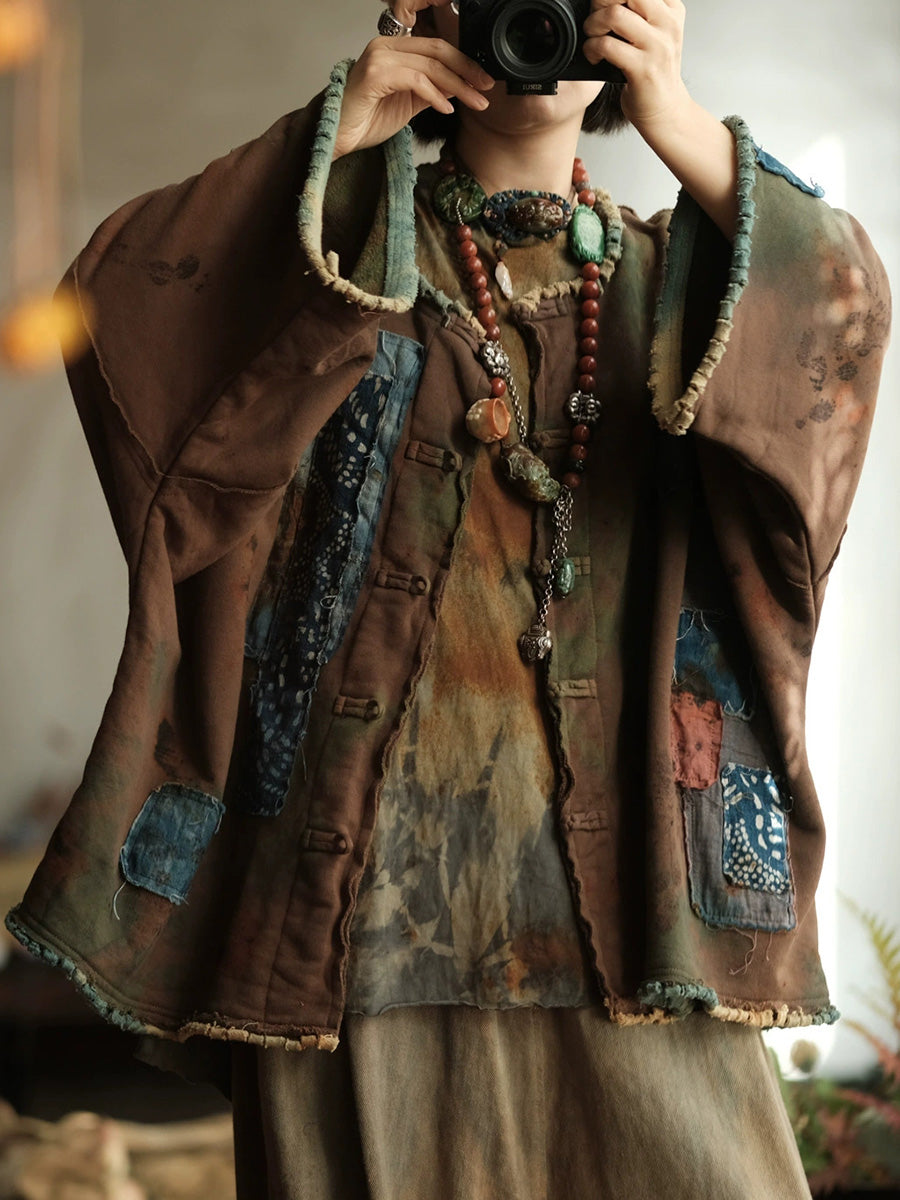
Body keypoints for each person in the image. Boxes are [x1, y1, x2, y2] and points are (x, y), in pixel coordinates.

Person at [6, 0, 891, 1196]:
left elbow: (840, 329)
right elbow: (128, 307)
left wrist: (689, 129)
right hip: (354, 919)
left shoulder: (682, 283)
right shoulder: (337, 260)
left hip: (636, 915)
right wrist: (340, 131)